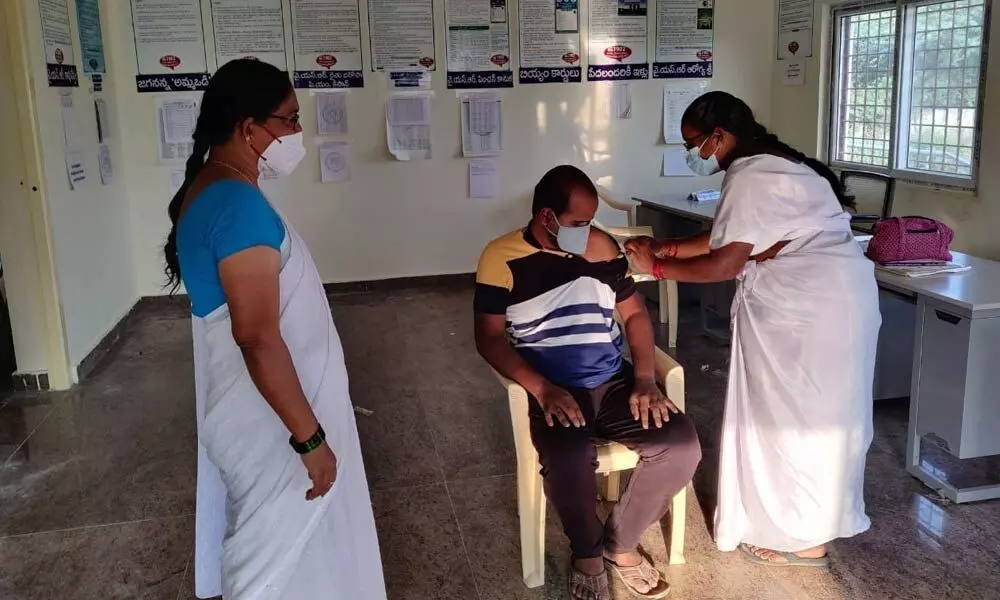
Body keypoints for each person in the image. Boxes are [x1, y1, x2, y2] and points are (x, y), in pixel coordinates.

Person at [625, 91, 880, 568]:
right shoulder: (772, 165)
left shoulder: (750, 175)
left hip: (807, 312)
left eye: (696, 144)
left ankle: (803, 538)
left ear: (720, 136)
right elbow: (738, 234)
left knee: (794, 421)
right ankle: (802, 524)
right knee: (814, 416)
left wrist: (656, 270)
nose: (695, 155)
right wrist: (664, 246)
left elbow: (725, 263)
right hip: (832, 302)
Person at [163, 59, 386, 599]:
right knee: (273, 566)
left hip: (270, 410)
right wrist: (308, 439)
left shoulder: (219, 188)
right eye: (288, 120)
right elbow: (256, 336)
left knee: (298, 555)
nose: (298, 134)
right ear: (248, 128)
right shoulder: (234, 203)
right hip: (275, 422)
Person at [474, 165, 701, 600]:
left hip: (613, 382)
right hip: (554, 389)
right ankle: (587, 554)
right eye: (579, 222)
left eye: (591, 220)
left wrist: (643, 378)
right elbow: (488, 338)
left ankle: (619, 543)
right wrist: (541, 389)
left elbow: (633, 314)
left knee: (681, 447)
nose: (589, 230)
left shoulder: (602, 249)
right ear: (546, 217)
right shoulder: (499, 257)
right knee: (571, 456)